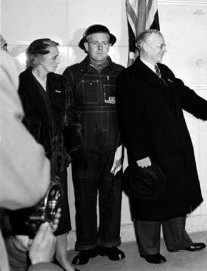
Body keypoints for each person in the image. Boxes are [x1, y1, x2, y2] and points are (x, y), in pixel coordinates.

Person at [116, 29, 207, 264]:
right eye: (159, 45)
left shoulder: (163, 71)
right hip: (150, 152)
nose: (164, 49)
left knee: (177, 194)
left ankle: (178, 241)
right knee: (149, 198)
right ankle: (149, 249)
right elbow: (129, 119)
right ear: (142, 46)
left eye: (164, 45)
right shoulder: (129, 77)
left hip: (175, 148)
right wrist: (139, 153)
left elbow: (184, 94)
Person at [11, 39, 86, 271]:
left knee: (59, 214)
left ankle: (63, 259)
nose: (58, 60)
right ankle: (37, 263)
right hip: (30, 165)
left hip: (57, 162)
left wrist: (76, 150)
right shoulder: (17, 84)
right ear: (37, 58)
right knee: (34, 217)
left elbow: (71, 120)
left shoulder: (59, 82)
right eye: (53, 57)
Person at [63, 25, 126, 265]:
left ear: (110, 46)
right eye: (95, 42)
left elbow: (128, 113)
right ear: (85, 45)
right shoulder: (71, 74)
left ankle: (110, 243)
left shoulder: (121, 73)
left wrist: (124, 145)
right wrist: (74, 146)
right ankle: (87, 245)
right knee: (84, 199)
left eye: (105, 42)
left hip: (114, 148)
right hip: (84, 149)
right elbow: (67, 114)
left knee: (112, 197)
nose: (100, 47)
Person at [0, 49, 63, 271]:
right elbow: (29, 184)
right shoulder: (13, 78)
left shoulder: (59, 82)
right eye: (2, 46)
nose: (5, 51)